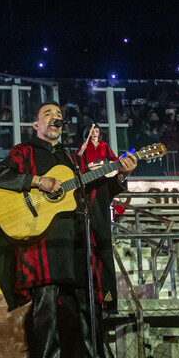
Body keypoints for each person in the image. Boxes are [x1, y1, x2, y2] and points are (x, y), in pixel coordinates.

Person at [0, 103, 138, 358]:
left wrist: (121, 175)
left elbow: (92, 190)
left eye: (58, 115)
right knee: (45, 307)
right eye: (47, 114)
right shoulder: (24, 152)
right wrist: (37, 181)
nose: (54, 118)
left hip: (76, 240)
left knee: (89, 305)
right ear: (35, 125)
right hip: (43, 244)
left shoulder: (72, 159)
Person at [76, 123, 128, 313]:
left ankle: (107, 301)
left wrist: (119, 168)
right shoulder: (84, 146)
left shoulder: (105, 146)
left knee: (103, 246)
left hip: (101, 188)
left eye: (97, 130)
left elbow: (115, 162)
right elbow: (78, 162)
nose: (96, 132)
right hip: (85, 189)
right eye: (93, 130)